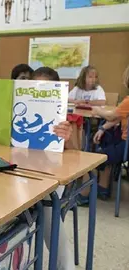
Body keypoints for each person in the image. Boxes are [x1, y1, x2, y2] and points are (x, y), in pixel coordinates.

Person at [32, 66, 76, 270]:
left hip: (52, 177)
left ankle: (64, 266)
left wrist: (67, 139)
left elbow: (78, 155)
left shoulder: (63, 119)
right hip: (25, 173)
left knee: (48, 204)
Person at [80, 65, 129, 203]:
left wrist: (96, 111)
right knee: (107, 142)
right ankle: (103, 189)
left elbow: (111, 115)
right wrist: (102, 128)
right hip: (123, 144)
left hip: (126, 147)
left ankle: (83, 196)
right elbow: (118, 117)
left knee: (91, 158)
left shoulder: (128, 101)